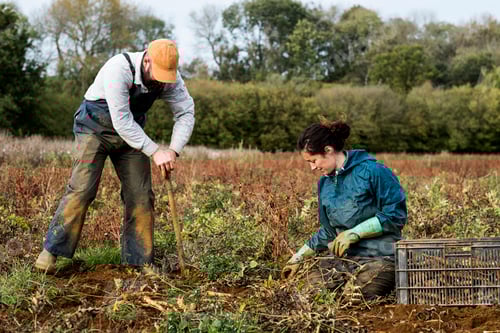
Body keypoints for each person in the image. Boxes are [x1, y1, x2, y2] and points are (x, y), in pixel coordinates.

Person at [35, 39, 195, 273]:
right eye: (158, 73)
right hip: (93, 129)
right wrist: (155, 151)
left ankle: (138, 263)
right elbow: (121, 121)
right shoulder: (118, 68)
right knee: (82, 189)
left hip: (132, 137)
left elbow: (186, 112)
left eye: (166, 76)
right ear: (147, 59)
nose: (162, 81)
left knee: (141, 195)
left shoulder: (171, 78)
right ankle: (51, 252)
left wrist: (172, 149)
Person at [281, 120, 407, 302]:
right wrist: (297, 258)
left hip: (380, 256)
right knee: (308, 292)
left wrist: (355, 233)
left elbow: (395, 216)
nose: (312, 167)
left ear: (329, 150)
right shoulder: (325, 183)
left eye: (314, 160)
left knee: (356, 297)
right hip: (344, 260)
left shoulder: (375, 171)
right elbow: (328, 231)